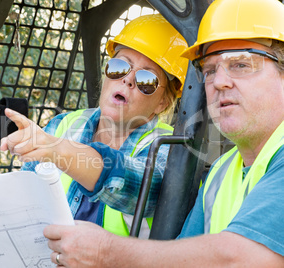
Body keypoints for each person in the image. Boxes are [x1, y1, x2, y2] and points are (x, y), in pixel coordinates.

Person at [42, 0, 284, 266]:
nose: (220, 81)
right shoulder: (222, 172)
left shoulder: (171, 149)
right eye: (210, 70)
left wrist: (105, 253)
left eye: (241, 64)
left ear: (162, 104)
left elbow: (243, 258)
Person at [0, 14, 188, 238]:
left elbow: (139, 188)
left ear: (162, 102)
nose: (127, 80)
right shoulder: (64, 124)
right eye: (120, 67)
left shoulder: (170, 146)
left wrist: (61, 151)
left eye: (146, 80)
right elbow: (26, 202)